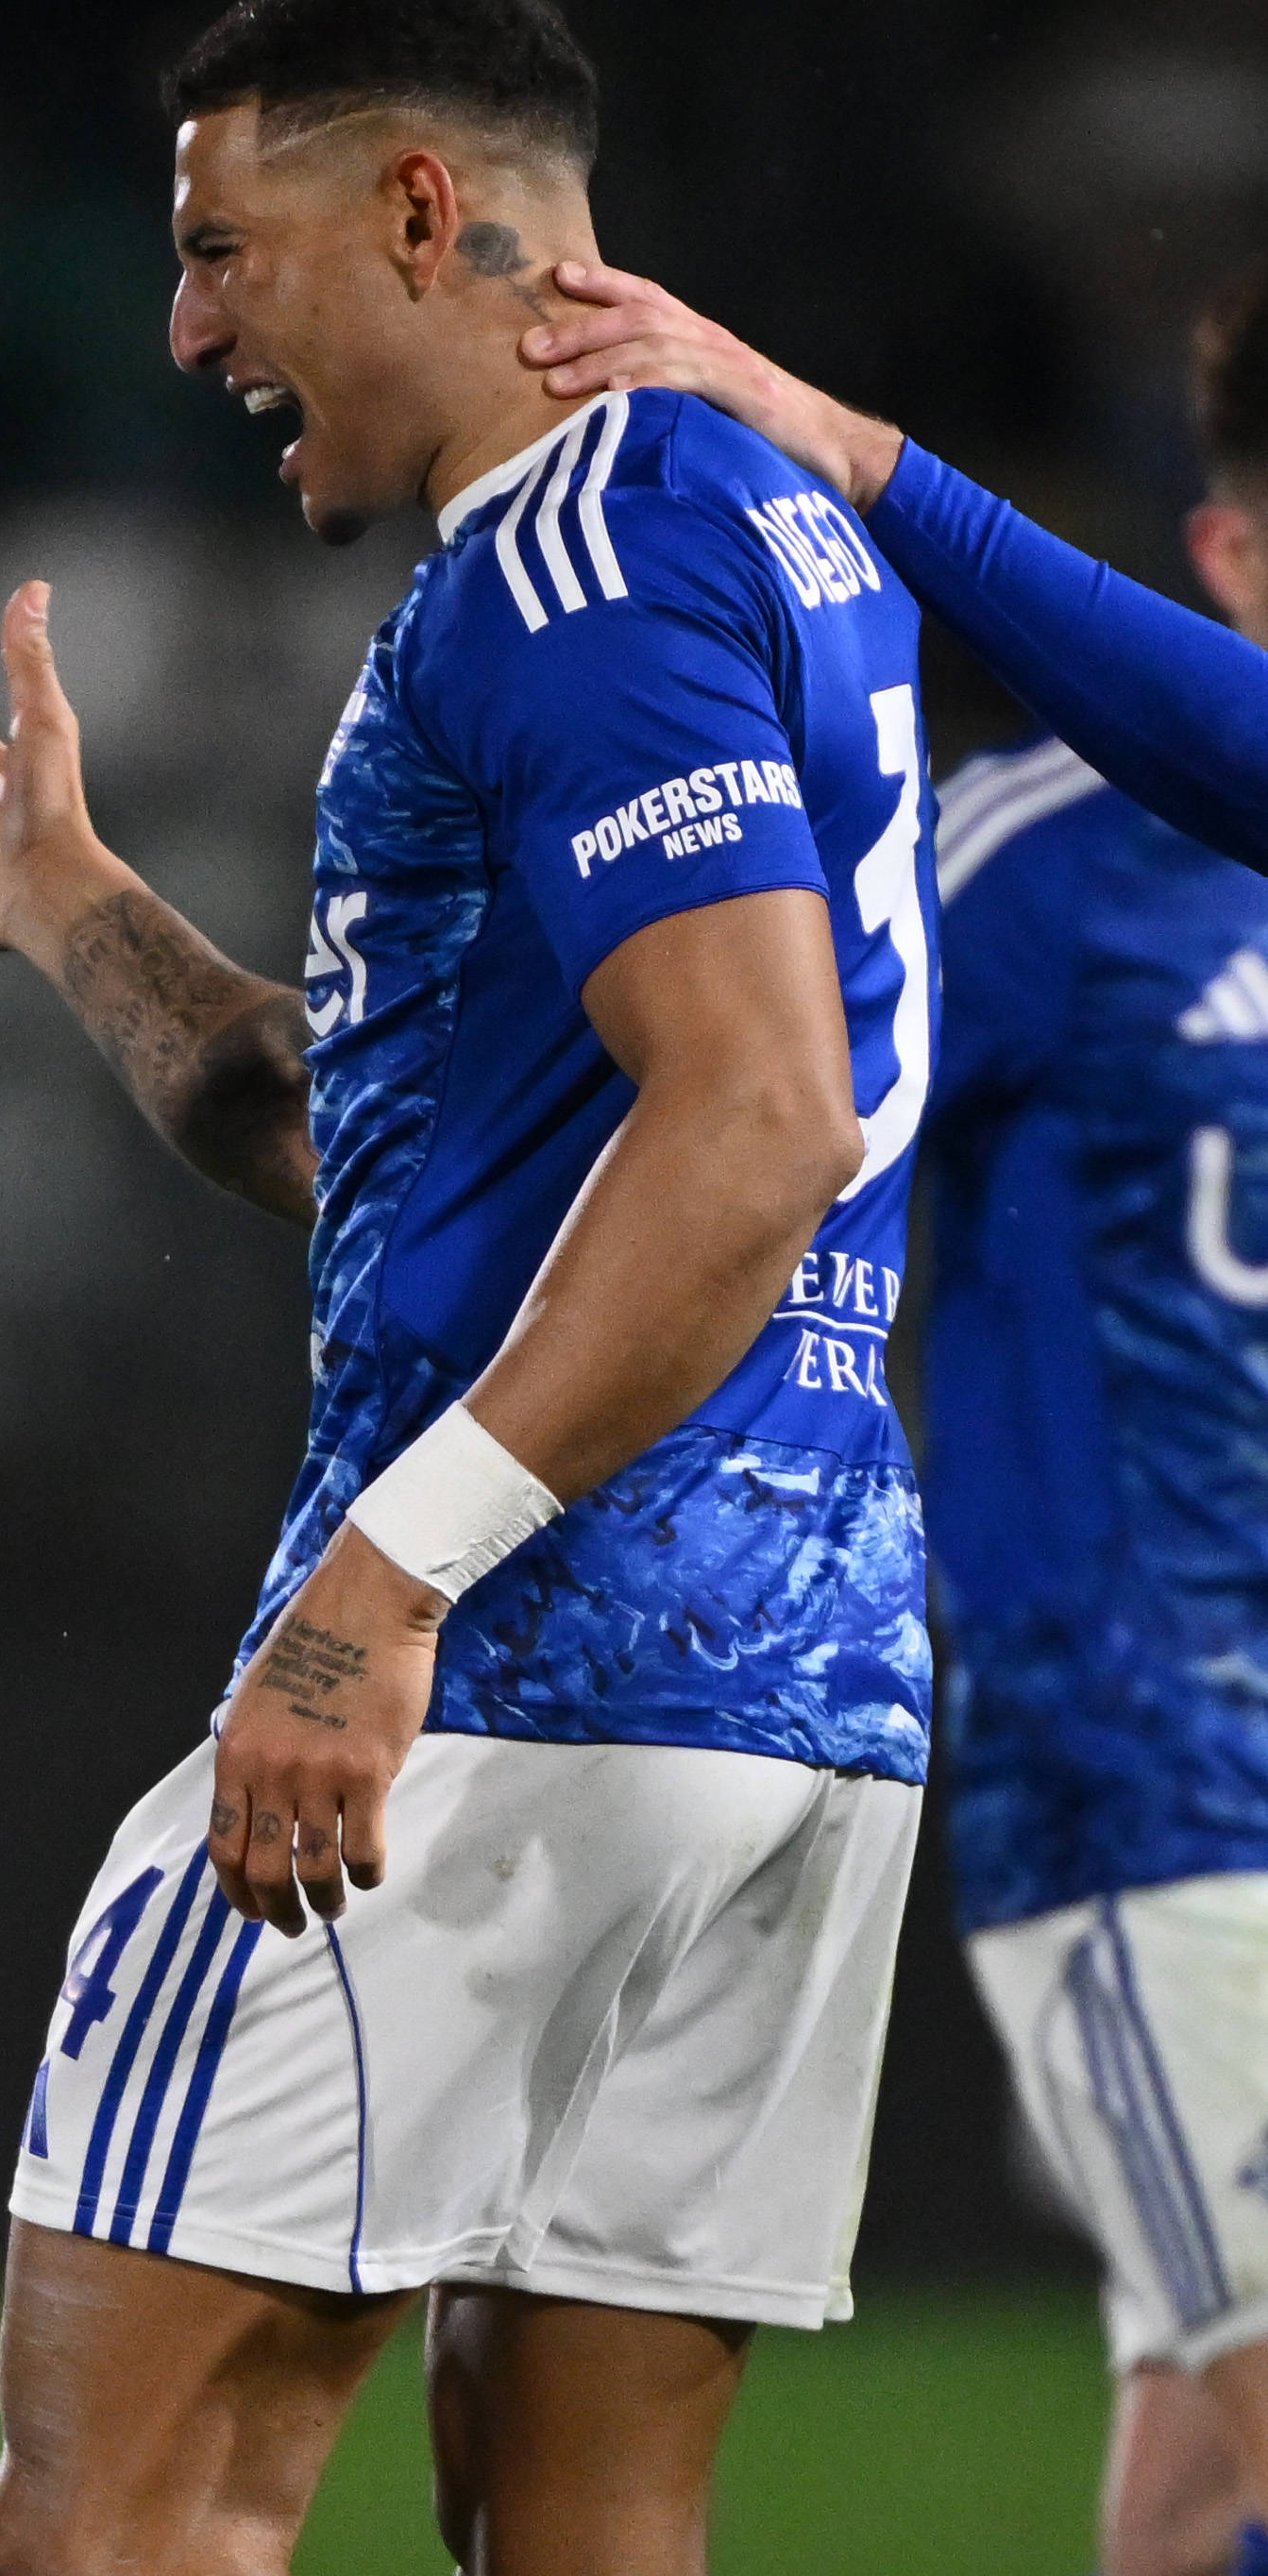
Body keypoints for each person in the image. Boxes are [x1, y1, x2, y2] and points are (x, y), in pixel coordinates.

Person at [0, 0, 931, 2573]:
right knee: (584, 2528)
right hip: (795, 1702)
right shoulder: (758, 530)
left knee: (125, 2517)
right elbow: (455, 1158)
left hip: (502, 1677)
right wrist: (68, 908)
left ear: (422, 211)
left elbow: (756, 1116)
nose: (187, 328)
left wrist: (380, 1584)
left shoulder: (573, 563)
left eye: (221, 250)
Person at [538, 260, 1268, 2576]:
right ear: (1223, 548)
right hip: (1165, 1758)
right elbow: (690, 1131)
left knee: (1201, 2453)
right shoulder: (1028, 864)